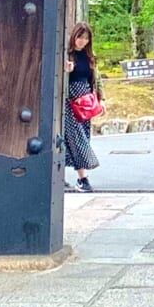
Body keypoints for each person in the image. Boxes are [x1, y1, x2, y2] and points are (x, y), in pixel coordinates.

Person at [63, 22, 101, 193]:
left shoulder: (89, 56)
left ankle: (61, 176)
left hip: (85, 103)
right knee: (77, 140)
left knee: (81, 137)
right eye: (80, 37)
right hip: (70, 102)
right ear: (74, 36)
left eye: (86, 38)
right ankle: (82, 178)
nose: (83, 41)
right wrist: (67, 70)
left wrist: (101, 99)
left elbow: (96, 80)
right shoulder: (67, 55)